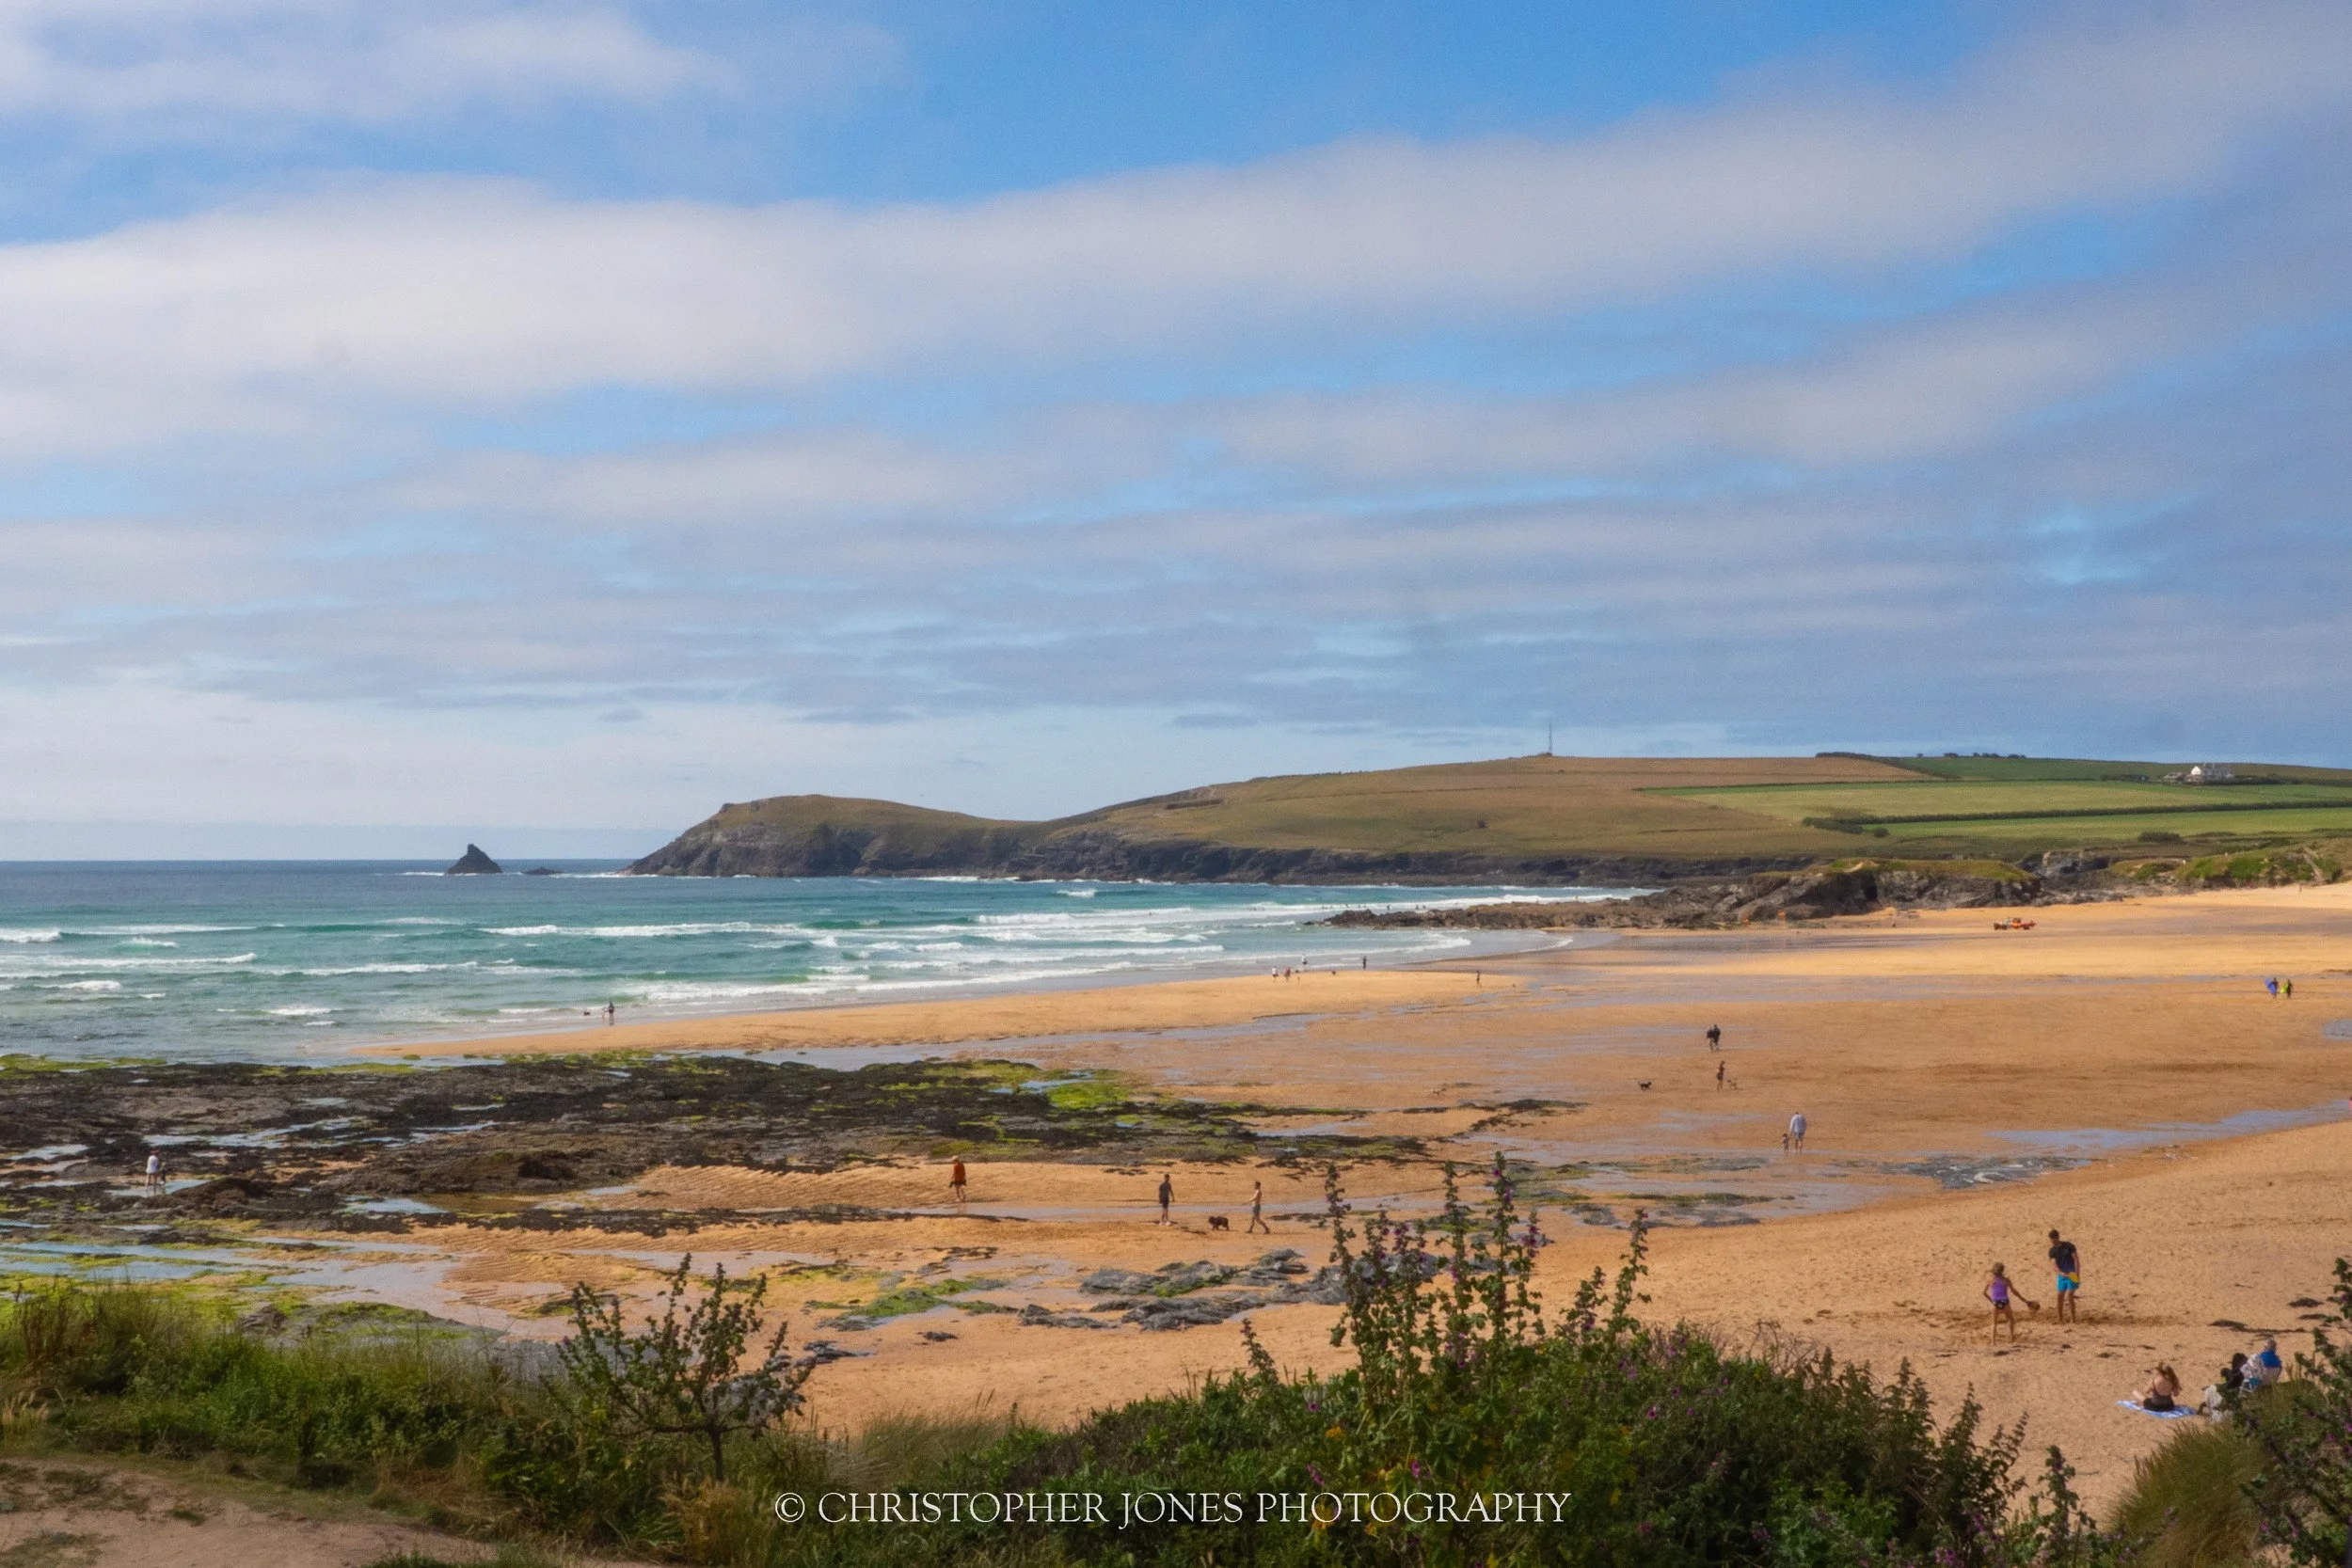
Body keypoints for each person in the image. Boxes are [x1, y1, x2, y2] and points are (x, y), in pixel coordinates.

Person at [2047, 1228, 2081, 1323]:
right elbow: (2054, 1265)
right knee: (2059, 1296)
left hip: (2072, 1274)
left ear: (2058, 1238)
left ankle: (2073, 1319)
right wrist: (2061, 1273)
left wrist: (2077, 1273)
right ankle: (2060, 1318)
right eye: (2051, 1240)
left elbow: (2075, 1259)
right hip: (2062, 1275)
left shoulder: (2069, 1246)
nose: (2053, 1242)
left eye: (2054, 1240)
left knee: (2070, 1295)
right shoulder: (2052, 1251)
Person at [1986, 1264, 2022, 1342]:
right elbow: (2014, 1292)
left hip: (1995, 1302)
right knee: (2011, 1320)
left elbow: (1983, 1293)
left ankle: (1993, 1342)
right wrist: (2023, 1300)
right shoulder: (2006, 1280)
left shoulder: (1990, 1280)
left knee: (1994, 1323)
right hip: (2005, 1302)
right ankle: (2012, 1338)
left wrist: (1991, 1301)